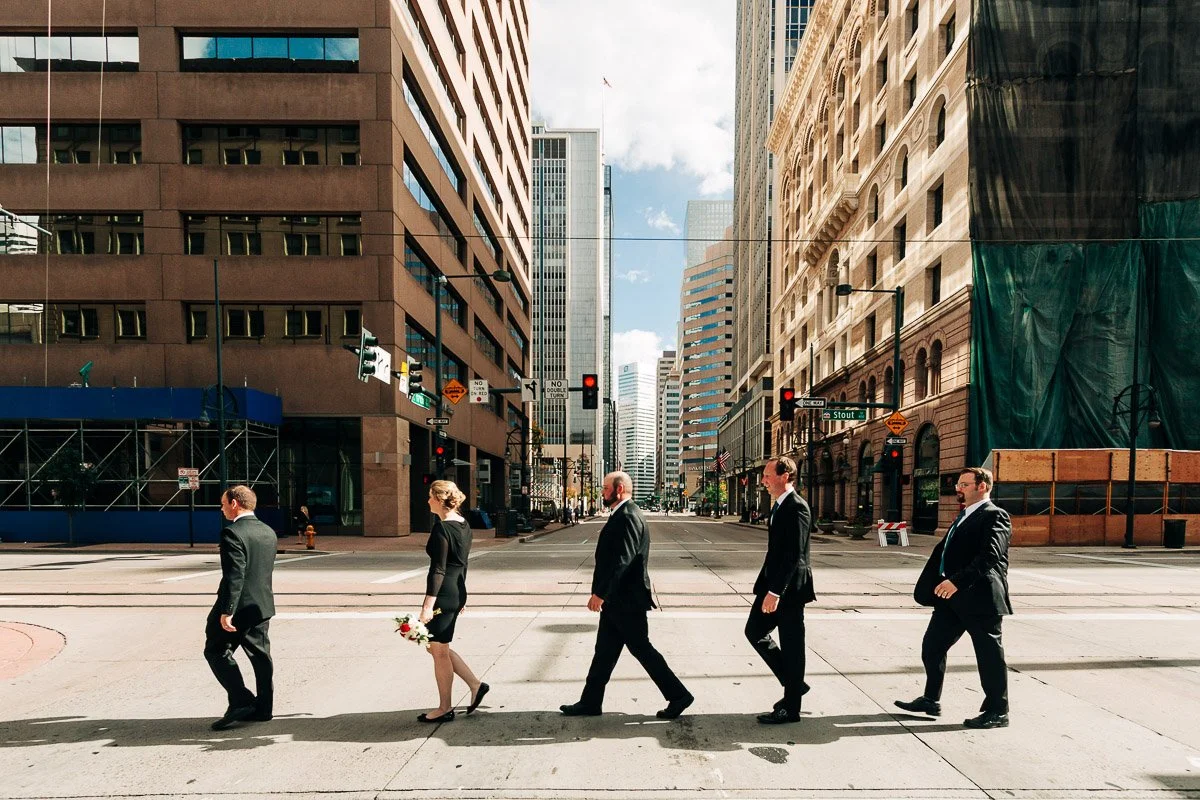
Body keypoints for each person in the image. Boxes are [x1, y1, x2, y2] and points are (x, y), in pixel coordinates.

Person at [560, 471, 693, 719]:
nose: (602, 492)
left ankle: (679, 695)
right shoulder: (623, 514)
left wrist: (600, 593)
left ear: (618, 489)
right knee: (604, 653)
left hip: (626, 601)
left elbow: (623, 559)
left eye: (605, 488)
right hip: (618, 601)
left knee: (642, 650)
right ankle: (590, 702)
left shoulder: (628, 516)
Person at [896, 467, 1013, 729]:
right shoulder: (963, 516)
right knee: (932, 647)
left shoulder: (996, 516)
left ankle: (998, 710)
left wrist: (956, 582)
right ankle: (930, 699)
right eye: (958, 484)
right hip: (950, 599)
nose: (958, 489)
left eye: (964, 484)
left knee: (989, 656)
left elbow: (989, 556)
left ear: (982, 486)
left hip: (980, 598)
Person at [746, 456, 815, 725]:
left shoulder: (796, 507)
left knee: (792, 644)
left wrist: (775, 592)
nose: (762, 480)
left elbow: (794, 555)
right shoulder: (779, 506)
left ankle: (791, 707)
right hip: (774, 585)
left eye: (767, 475)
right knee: (754, 631)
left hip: (789, 590)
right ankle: (793, 683)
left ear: (785, 475)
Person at [205, 485, 277, 731]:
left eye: (223, 503)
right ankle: (264, 710)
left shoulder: (232, 533)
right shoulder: (268, 532)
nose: (222, 508)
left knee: (215, 650)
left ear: (235, 503)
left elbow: (235, 575)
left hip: (239, 608)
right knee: (260, 657)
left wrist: (227, 610)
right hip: (262, 605)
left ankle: (241, 701)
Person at [418, 480, 488, 723]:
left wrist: (427, 606)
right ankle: (475, 685)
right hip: (456, 590)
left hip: (444, 592)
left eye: (430, 497)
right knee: (437, 646)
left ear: (438, 499)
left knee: (437, 650)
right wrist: (462, 594)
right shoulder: (464, 525)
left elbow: (437, 570)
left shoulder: (442, 529)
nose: (427, 501)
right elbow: (464, 563)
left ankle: (445, 707)